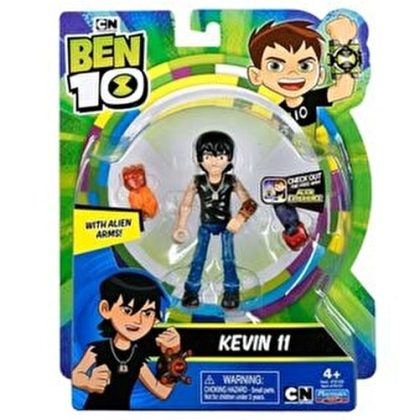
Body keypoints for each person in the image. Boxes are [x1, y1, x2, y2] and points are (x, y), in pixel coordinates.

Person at [72, 271, 184, 409]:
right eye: (127, 310)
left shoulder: (137, 358)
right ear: (105, 309)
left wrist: (174, 355)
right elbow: (76, 376)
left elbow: (162, 392)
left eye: (147, 313)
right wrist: (88, 383)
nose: (138, 320)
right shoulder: (96, 350)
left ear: (155, 319)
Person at [173, 131, 257, 310]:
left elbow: (250, 203)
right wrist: (181, 226)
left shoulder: (232, 181)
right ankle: (191, 291)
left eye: (220, 157)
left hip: (227, 225)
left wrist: (240, 218)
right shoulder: (197, 181)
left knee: (228, 259)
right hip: (205, 225)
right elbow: (186, 205)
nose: (214, 162)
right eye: (208, 156)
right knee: (198, 258)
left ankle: (231, 291)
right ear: (199, 159)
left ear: (229, 158)